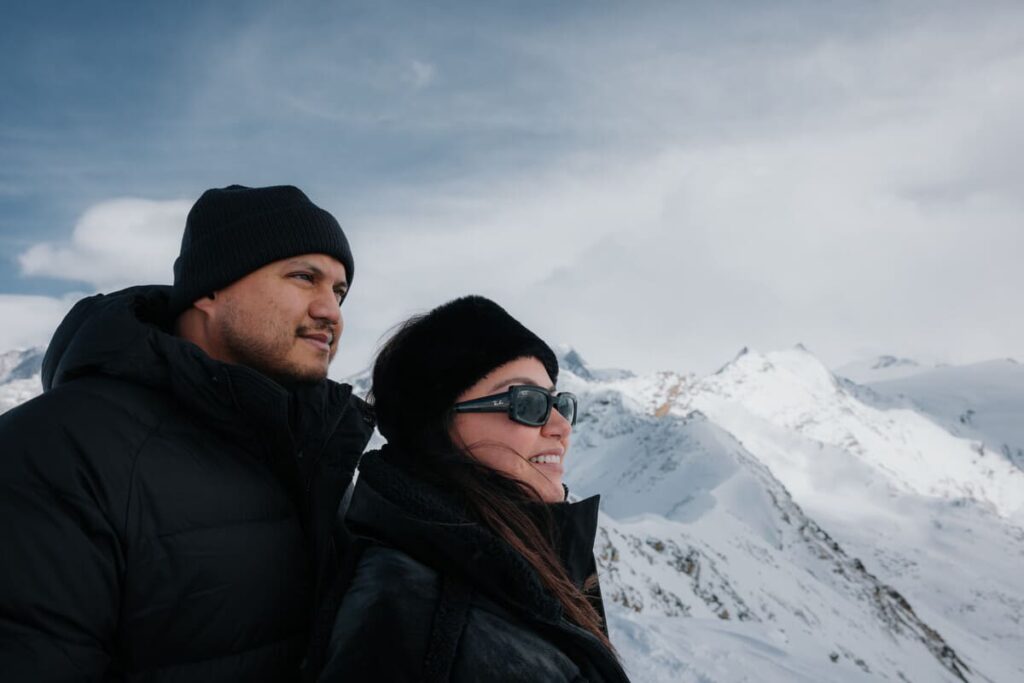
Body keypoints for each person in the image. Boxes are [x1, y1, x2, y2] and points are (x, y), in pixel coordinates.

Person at [0, 185, 375, 682]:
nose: (331, 312)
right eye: (304, 278)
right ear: (210, 288)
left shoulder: (313, 452)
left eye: (339, 291)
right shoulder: (57, 449)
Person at [312, 296, 629, 682]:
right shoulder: (417, 621)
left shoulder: (516, 562)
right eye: (527, 402)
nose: (561, 425)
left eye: (559, 402)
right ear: (438, 422)